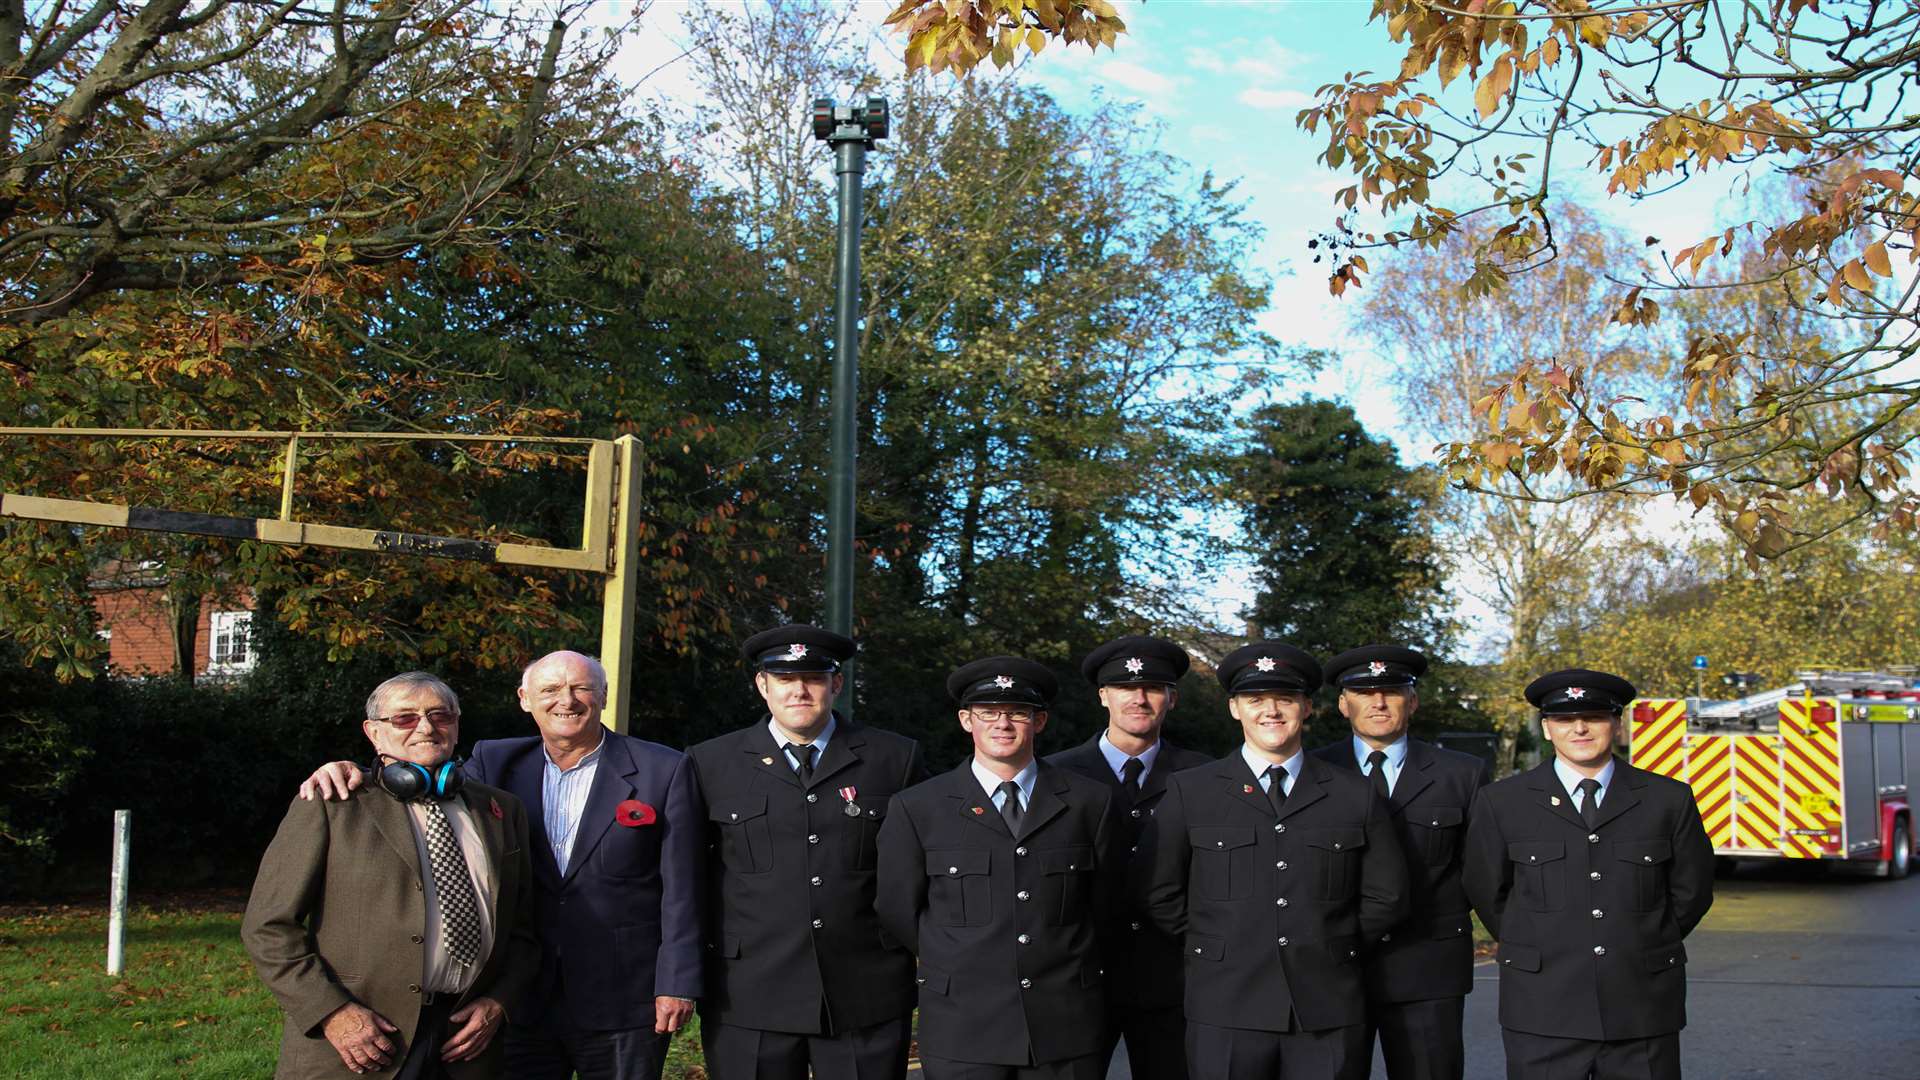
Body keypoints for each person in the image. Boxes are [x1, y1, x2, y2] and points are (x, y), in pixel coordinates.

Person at [297, 651, 704, 1080]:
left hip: (624, 994)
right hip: (519, 997)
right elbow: (420, 777)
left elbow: (684, 887)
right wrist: (352, 769)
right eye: (549, 689)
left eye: (581, 687)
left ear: (602, 696)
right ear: (525, 699)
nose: (566, 700)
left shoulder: (665, 768)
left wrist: (676, 982)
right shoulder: (495, 763)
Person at [1135, 642, 1408, 1080]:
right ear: (1234, 709)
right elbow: (1159, 890)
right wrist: (1218, 944)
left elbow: (1386, 894)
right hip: (1225, 1002)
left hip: (1327, 1003)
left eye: (1284, 699)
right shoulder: (1192, 791)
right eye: (1256, 700)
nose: (1271, 712)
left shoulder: (1354, 793)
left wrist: (1331, 942)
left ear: (1307, 708)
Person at [244, 672, 538, 1079]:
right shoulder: (333, 803)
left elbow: (524, 928)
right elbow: (268, 927)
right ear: (374, 733)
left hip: (467, 1043)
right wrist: (333, 1013)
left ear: (456, 725)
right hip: (359, 1041)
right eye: (404, 718)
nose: (425, 727)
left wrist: (499, 1003)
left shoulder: (500, 811)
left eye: (440, 715)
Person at [687, 624, 925, 1080]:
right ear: (763, 685)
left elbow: (924, 868)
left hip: (864, 991)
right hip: (749, 993)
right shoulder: (710, 763)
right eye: (783, 679)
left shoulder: (893, 759)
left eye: (814, 678)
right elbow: (688, 878)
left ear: (836, 683)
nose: (799, 690)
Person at [875, 656, 1118, 1080]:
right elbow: (898, 909)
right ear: (967, 720)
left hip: (1064, 1027)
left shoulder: (1090, 803)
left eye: (1018, 713)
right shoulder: (919, 807)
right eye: (988, 712)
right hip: (963, 1025)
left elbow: (1107, 904)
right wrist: (962, 956)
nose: (1002, 724)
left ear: (1039, 721)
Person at [1464, 668, 1714, 1080]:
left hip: (1641, 1005)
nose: (1579, 728)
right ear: (1547, 729)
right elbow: (1487, 890)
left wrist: (1640, 939)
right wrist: (1537, 942)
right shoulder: (1502, 803)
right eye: (1563, 719)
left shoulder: (1667, 799)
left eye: (1594, 717)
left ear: (1617, 724)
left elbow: (1692, 890)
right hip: (1542, 1006)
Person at [1308, 645, 1490, 1080]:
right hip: (1336, 966)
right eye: (1364, 692)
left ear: (1413, 701)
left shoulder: (1462, 774)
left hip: (1427, 968)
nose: (1378, 702)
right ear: (1342, 703)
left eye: (1391, 691)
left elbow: (1482, 870)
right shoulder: (1312, 770)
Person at [1045, 633, 1209, 1080]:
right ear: (1103, 696)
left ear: (1171, 699)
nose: (1139, 698)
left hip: (1175, 976)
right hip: (1082, 977)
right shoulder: (1055, 775)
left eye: (1153, 688)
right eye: (1124, 688)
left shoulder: (1206, 776)